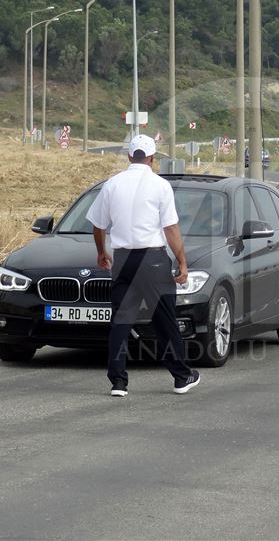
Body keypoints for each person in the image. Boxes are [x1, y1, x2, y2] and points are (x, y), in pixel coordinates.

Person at [86, 134, 200, 398]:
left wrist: (102, 252)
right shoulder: (160, 186)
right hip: (152, 259)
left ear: (128, 156)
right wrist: (182, 261)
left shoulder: (112, 184)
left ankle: (118, 383)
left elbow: (98, 224)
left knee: (121, 322)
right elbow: (170, 228)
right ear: (152, 158)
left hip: (123, 259)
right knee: (164, 320)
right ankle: (181, 377)